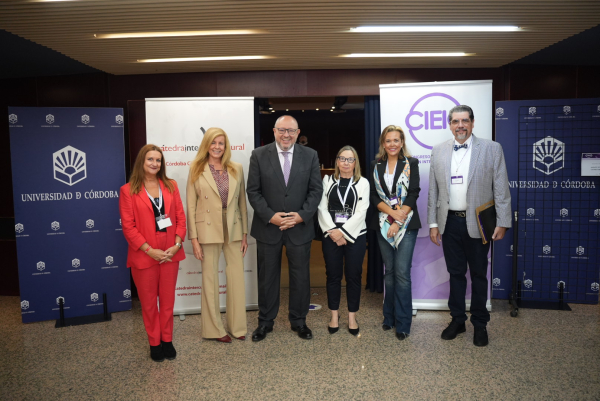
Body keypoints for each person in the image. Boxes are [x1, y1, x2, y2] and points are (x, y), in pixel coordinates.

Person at [428, 105, 511, 347]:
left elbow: (501, 188)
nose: (460, 125)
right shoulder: (439, 151)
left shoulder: (492, 149)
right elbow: (434, 190)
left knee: (478, 275)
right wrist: (434, 223)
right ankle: (457, 320)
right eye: (455, 121)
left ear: (473, 123)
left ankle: (480, 324)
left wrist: (503, 222)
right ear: (450, 125)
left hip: (479, 222)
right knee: (455, 274)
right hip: (449, 222)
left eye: (465, 121)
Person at [247, 115, 323, 341]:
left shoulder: (310, 156)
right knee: (267, 277)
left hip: (299, 228)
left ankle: (299, 321)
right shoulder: (258, 155)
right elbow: (253, 191)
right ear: (274, 131)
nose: (286, 135)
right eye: (282, 130)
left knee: (301, 277)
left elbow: (315, 191)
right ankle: (265, 322)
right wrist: (271, 217)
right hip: (268, 227)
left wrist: (300, 216)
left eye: (291, 131)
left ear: (298, 133)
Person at [119, 144, 186, 362]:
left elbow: (180, 218)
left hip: (170, 252)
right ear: (142, 161)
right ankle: (154, 343)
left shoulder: (171, 185)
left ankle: (167, 340)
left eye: (158, 160)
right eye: (150, 159)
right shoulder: (128, 190)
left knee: (167, 302)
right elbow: (128, 227)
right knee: (148, 304)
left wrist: (176, 245)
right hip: (144, 255)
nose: (154, 163)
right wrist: (150, 251)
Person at [186, 128, 249, 343]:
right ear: (206, 145)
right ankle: (214, 329)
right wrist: (193, 238)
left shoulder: (236, 168)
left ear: (226, 145)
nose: (217, 147)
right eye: (213, 143)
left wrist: (244, 232)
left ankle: (237, 326)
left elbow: (242, 202)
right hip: (207, 229)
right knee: (210, 279)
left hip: (233, 227)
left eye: (221, 143)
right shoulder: (196, 168)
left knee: (236, 279)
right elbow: (191, 205)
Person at [369, 125, 421, 341]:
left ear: (402, 142)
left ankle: (403, 322)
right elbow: (374, 196)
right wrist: (391, 215)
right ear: (383, 143)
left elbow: (413, 192)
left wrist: (398, 221)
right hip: (383, 223)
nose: (392, 144)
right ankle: (388, 317)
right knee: (389, 272)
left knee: (401, 274)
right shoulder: (375, 165)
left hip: (406, 224)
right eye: (388, 140)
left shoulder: (411, 163)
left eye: (396, 140)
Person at [318, 146, 369, 336]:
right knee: (333, 275)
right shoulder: (327, 180)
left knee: (354, 276)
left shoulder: (363, 182)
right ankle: (334, 315)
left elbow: (361, 212)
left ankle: (352, 317)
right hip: (330, 235)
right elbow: (322, 208)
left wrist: (343, 233)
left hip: (355, 235)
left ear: (355, 163)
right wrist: (334, 232)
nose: (346, 163)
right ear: (337, 161)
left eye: (350, 159)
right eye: (342, 159)